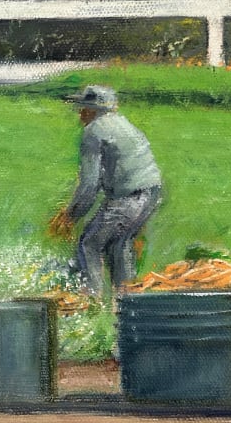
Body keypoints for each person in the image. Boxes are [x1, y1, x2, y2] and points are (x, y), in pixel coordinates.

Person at [49, 85, 162, 297]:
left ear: (93, 110)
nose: (79, 113)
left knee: (89, 243)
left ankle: (91, 300)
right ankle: (127, 301)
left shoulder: (94, 131)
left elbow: (90, 184)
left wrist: (70, 216)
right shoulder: (124, 124)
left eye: (82, 108)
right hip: (151, 192)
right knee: (120, 244)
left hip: (127, 197)